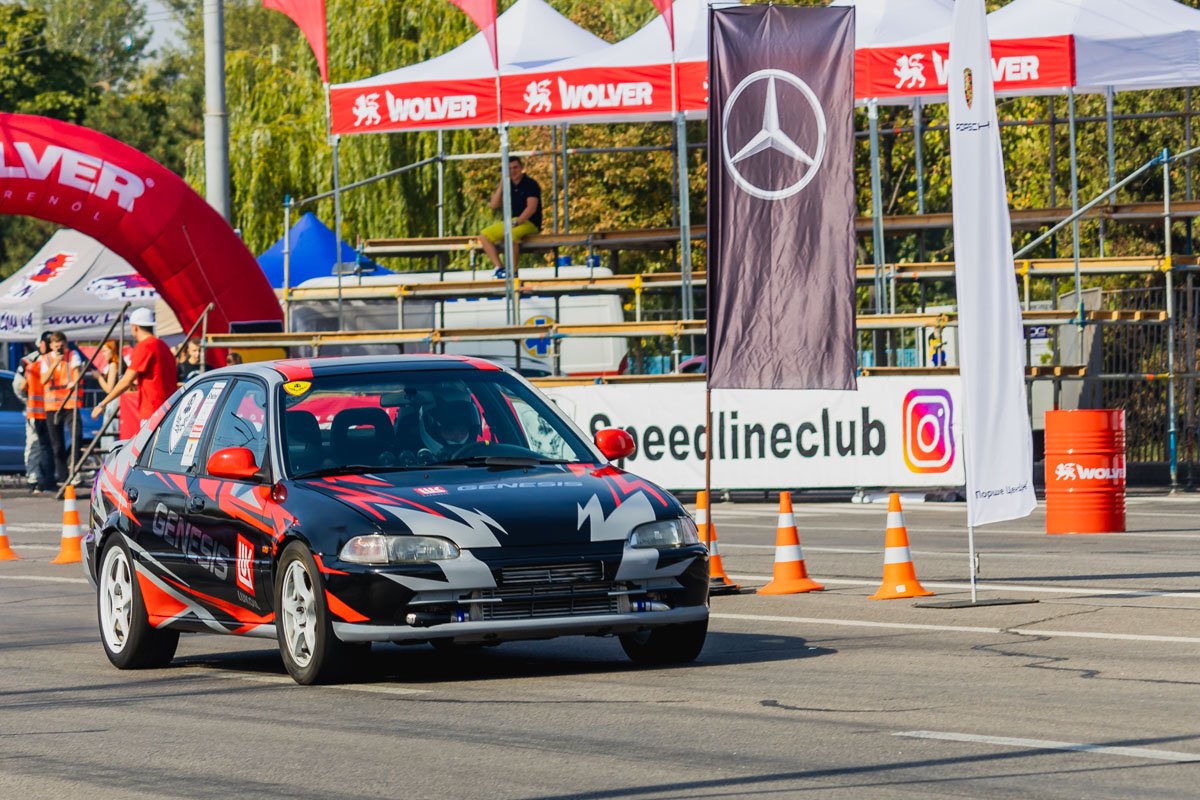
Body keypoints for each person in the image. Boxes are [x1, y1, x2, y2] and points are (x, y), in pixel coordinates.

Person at [92, 308, 178, 427]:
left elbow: (126, 381)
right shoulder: (163, 346)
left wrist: (102, 404)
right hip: (170, 409)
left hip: (153, 411)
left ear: (135, 327)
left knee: (150, 445)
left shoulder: (144, 346)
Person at [478, 156, 542, 275]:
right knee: (483, 236)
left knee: (510, 235)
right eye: (509, 169)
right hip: (512, 222)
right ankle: (500, 268)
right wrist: (502, 183)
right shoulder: (508, 184)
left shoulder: (530, 184)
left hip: (530, 223)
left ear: (521, 167)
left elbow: (531, 208)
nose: (513, 171)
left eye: (515, 167)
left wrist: (516, 223)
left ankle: (513, 271)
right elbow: (493, 205)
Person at [40, 331, 83, 486]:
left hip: (70, 404)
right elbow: (43, 380)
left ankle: (75, 469)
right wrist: (55, 363)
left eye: (61, 344)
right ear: (51, 346)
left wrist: (74, 382)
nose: (59, 347)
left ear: (65, 343)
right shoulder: (45, 359)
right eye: (56, 344)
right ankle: (64, 478)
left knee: (76, 436)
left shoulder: (73, 355)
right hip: (52, 406)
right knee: (57, 445)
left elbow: (77, 374)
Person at [13, 332, 54, 493]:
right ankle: (34, 479)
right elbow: (18, 386)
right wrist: (28, 402)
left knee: (49, 447)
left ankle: (47, 478)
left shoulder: (56, 358)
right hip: (36, 412)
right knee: (35, 445)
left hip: (52, 410)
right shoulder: (30, 360)